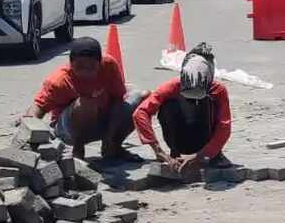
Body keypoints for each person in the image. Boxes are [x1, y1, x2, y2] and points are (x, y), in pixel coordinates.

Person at [23, 37, 144, 160]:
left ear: (100, 62)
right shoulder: (59, 81)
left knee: (141, 95)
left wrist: (111, 137)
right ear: (71, 63)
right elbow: (38, 107)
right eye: (79, 67)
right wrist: (27, 131)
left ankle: (112, 146)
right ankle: (78, 151)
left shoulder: (109, 66)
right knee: (86, 102)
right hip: (68, 131)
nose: (85, 72)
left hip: (101, 122)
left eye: (91, 67)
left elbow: (118, 99)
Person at [133, 44, 232, 176]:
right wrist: (159, 152)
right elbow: (140, 113)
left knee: (210, 102)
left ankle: (215, 154)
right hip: (179, 139)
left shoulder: (218, 90)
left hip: (204, 139)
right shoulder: (172, 87)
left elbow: (224, 126)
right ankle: (175, 153)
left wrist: (200, 156)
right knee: (168, 104)